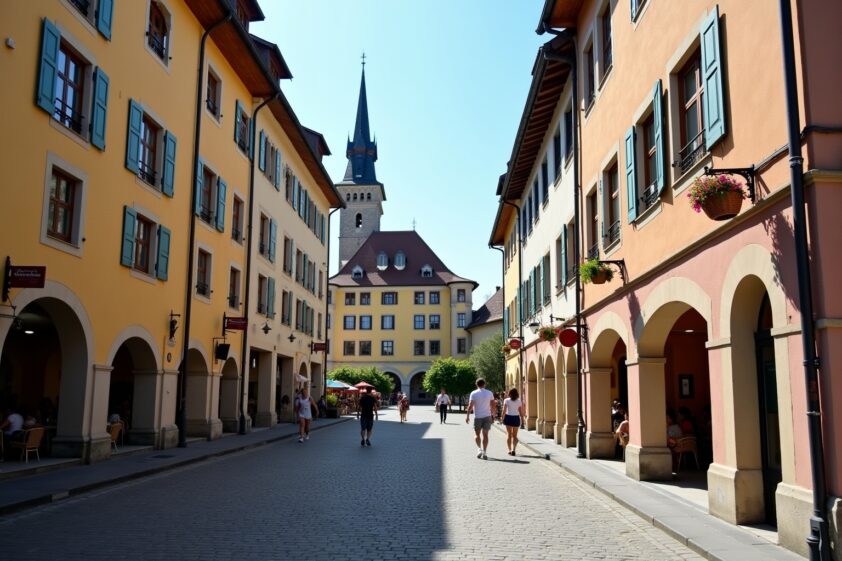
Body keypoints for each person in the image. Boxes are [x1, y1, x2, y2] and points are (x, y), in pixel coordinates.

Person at [465, 378, 497, 459]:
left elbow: (470, 406)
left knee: (477, 434)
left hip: (478, 417)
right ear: (484, 384)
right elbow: (493, 405)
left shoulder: (473, 393)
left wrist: (467, 416)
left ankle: (479, 449)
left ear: (476, 384)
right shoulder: (489, 393)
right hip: (487, 416)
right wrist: (493, 415)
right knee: (485, 435)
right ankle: (485, 452)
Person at [502, 388, 524, 456]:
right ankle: (514, 449)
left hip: (508, 417)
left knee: (509, 435)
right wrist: (522, 419)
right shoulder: (519, 401)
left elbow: (504, 410)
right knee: (515, 436)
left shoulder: (506, 400)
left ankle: (509, 450)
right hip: (516, 418)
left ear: (510, 394)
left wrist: (502, 418)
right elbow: (520, 411)